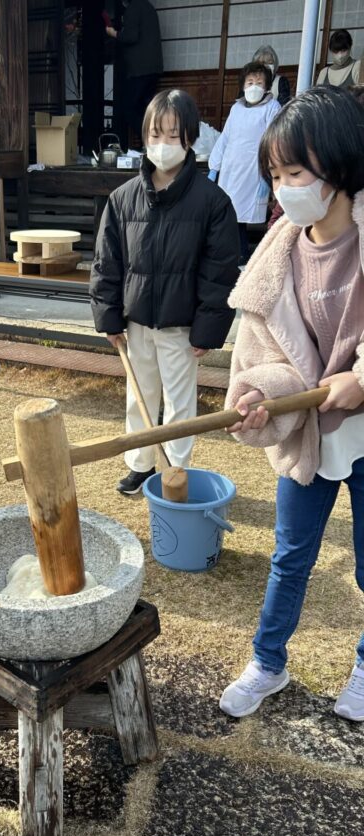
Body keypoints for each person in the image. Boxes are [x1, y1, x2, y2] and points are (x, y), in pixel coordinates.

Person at [219, 86, 364, 723]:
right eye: (275, 175)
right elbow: (269, 361)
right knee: (289, 556)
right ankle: (268, 662)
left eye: (296, 172)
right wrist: (261, 396)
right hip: (312, 433)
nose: (284, 188)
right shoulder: (276, 258)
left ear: (337, 167)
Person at [89, 89, 239, 497]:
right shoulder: (123, 199)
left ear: (190, 139)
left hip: (181, 326)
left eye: (173, 136)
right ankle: (139, 463)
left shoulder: (212, 202)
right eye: (155, 135)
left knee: (178, 401)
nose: (163, 145)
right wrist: (108, 316)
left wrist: (207, 329)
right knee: (139, 398)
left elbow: (220, 271)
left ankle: (175, 468)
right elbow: (107, 261)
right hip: (136, 322)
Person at [208, 61, 280, 266]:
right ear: (243, 85)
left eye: (259, 82)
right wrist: (214, 167)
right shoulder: (236, 108)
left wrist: (270, 173)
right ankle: (236, 255)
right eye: (250, 82)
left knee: (247, 215)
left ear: (267, 86)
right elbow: (225, 138)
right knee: (228, 214)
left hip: (254, 170)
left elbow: (274, 139)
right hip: (231, 169)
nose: (254, 86)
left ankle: (250, 258)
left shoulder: (272, 107)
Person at [105, 0, 163, 142]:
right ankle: (152, 142)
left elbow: (131, 36)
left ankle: (150, 141)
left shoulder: (133, 8)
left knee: (128, 109)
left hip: (139, 70)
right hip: (153, 68)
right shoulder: (148, 7)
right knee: (146, 110)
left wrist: (114, 33)